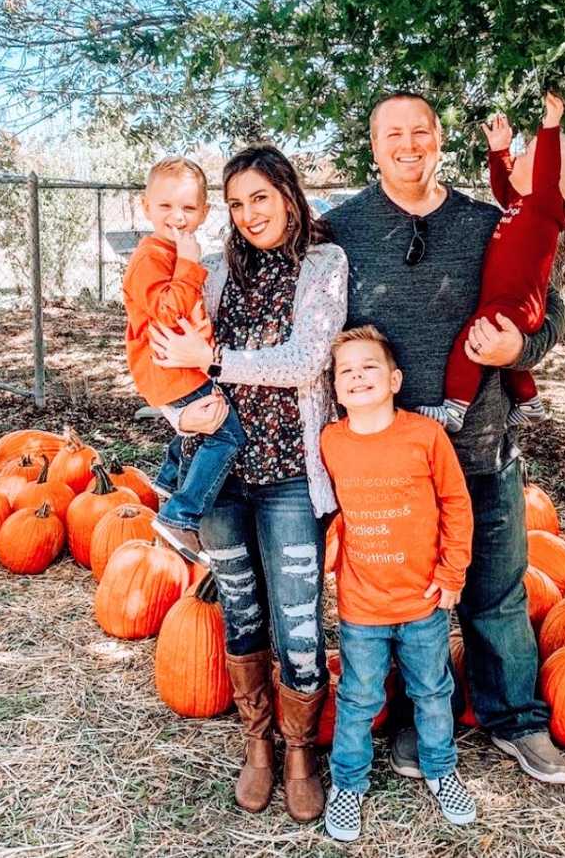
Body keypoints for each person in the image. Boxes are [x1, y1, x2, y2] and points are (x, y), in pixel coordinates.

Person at [324, 92, 565, 785]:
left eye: (420, 131)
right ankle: (412, 720)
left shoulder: (488, 222)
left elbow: (550, 317)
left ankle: (515, 719)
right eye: (392, 134)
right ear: (372, 147)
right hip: (388, 466)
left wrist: (520, 346)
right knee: (404, 600)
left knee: (495, 592)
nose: (408, 144)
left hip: (481, 445)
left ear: (438, 140)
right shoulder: (339, 230)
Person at [148, 144, 348, 821]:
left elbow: (306, 359)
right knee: (241, 611)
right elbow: (168, 355)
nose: (248, 212)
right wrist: (178, 406)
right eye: (235, 202)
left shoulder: (324, 261)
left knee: (297, 620)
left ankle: (299, 750)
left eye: (259, 195)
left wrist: (213, 357)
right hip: (224, 472)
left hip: (292, 474)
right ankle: (258, 743)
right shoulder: (214, 274)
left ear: (288, 193)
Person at [320, 325, 476, 842]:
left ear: (394, 378)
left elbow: (456, 503)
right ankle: (348, 783)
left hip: (423, 600)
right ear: (335, 389)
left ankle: (440, 769)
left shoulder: (425, 437)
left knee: (432, 690)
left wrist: (452, 571)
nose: (357, 376)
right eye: (346, 371)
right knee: (358, 697)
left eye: (369, 367)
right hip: (362, 604)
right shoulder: (331, 442)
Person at [418, 93, 565, 431]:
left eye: (527, 153)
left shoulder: (545, 206)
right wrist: (499, 149)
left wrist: (551, 125)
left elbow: (544, 171)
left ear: (548, 173)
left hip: (516, 303)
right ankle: (529, 404)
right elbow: (502, 185)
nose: (519, 156)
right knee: (497, 353)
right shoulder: (521, 205)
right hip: (509, 302)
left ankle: (454, 408)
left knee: (471, 339)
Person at [122, 156, 246, 568]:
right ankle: (181, 515)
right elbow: (166, 311)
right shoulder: (151, 257)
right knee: (226, 434)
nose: (177, 217)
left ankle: (167, 480)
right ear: (146, 207)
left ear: (205, 212)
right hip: (170, 368)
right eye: (166, 207)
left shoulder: (173, 251)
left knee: (204, 423)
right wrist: (190, 264)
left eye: (189, 209)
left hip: (184, 367)